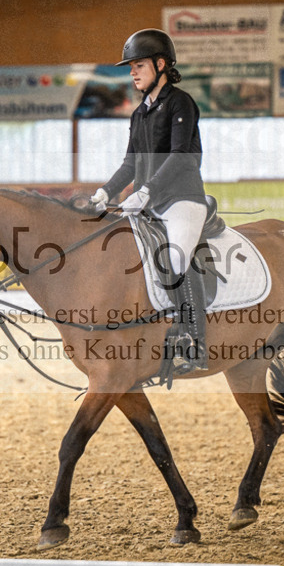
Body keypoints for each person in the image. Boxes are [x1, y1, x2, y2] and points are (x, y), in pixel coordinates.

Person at [88, 28, 208, 375]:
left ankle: (194, 341)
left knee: (175, 256)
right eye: (131, 67)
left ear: (160, 64)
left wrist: (147, 191)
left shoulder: (181, 103)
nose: (132, 72)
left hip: (182, 200)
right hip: (149, 203)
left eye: (138, 65)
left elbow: (182, 155)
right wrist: (105, 192)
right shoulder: (139, 113)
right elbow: (130, 164)